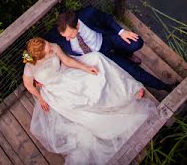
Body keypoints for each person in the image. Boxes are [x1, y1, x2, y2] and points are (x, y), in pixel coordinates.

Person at [22, 37, 155, 164]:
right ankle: (109, 112)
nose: (51, 48)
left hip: (65, 75)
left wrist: (85, 68)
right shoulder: (29, 66)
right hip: (54, 90)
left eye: (48, 45)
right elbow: (29, 86)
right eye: (49, 51)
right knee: (82, 103)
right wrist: (40, 99)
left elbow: (67, 61)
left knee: (96, 61)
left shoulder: (53, 46)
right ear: (39, 58)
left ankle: (126, 92)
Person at [45, 6, 175, 92]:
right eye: (65, 37)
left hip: (106, 40)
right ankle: (164, 87)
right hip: (97, 57)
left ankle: (126, 54)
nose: (68, 39)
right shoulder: (57, 35)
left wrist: (121, 32)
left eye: (70, 35)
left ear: (77, 25)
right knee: (133, 71)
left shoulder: (88, 14)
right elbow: (33, 48)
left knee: (136, 43)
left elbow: (106, 19)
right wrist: (28, 60)